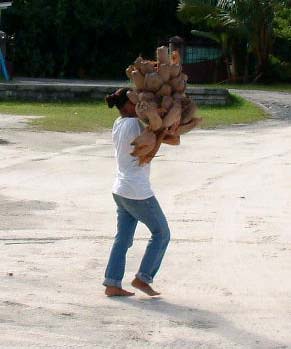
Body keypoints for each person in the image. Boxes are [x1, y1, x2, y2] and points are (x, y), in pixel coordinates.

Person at [103, 87, 172, 297]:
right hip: (137, 191)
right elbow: (150, 140)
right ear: (128, 105)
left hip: (120, 189)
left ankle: (112, 283)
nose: (141, 104)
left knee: (123, 238)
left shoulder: (119, 123)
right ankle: (143, 278)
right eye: (136, 101)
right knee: (162, 233)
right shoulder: (134, 123)